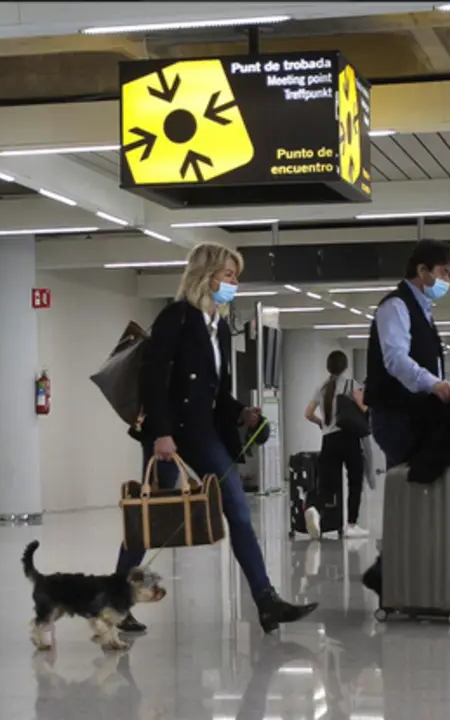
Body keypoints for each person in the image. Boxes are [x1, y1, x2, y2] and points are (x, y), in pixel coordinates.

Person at [117, 242, 318, 634]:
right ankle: (115, 600)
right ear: (205, 276)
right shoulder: (175, 318)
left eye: (234, 277)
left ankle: (266, 601)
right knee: (150, 516)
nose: (234, 283)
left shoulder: (220, 329)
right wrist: (159, 434)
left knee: (239, 511)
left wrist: (240, 411)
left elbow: (216, 392)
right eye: (229, 275)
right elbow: (154, 380)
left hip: (204, 430)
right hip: (171, 431)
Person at [359, 239, 450, 601]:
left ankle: (393, 570)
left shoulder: (423, 310)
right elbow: (396, 360)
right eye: (444, 273)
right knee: (409, 492)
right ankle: (389, 573)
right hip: (396, 415)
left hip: (415, 415)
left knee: (416, 494)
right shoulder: (396, 306)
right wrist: (434, 384)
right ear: (423, 271)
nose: (447, 280)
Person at [303, 350, 369, 538]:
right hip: (349, 438)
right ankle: (351, 524)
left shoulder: (322, 388)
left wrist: (322, 423)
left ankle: (315, 509)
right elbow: (364, 408)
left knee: (327, 484)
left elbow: (308, 414)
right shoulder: (351, 384)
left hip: (328, 440)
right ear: (345, 366)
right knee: (355, 480)